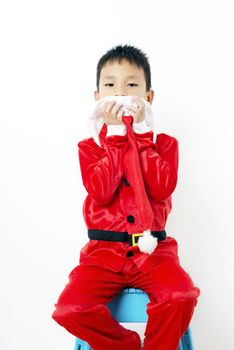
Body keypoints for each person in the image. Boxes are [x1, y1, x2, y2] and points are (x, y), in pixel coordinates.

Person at [51, 44, 200, 350]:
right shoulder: (90, 148)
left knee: (181, 296)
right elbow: (101, 191)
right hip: (102, 256)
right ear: (97, 98)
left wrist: (142, 136)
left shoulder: (164, 144)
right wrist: (117, 137)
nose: (120, 93)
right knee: (69, 309)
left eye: (131, 84)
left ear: (147, 98)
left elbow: (161, 188)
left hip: (154, 253)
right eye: (110, 85)